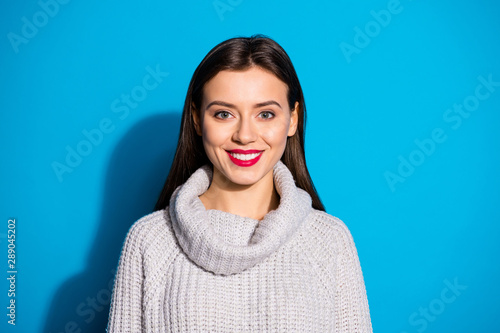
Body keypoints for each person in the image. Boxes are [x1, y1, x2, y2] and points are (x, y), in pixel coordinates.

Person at [106, 34, 372, 332]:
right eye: (224, 114)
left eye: (265, 114)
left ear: (293, 119)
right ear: (196, 119)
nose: (245, 135)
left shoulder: (330, 241)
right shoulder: (149, 241)